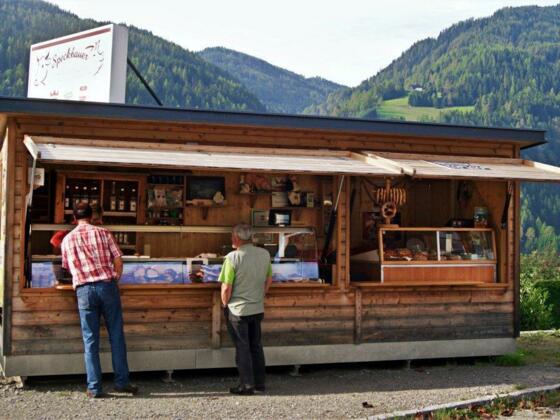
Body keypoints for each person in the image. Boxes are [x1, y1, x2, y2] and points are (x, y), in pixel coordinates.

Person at [60, 203, 137, 398]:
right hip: (107, 286)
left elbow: (67, 267)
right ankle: (122, 383)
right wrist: (115, 278)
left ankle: (94, 388)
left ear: (74, 218)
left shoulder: (67, 239)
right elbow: (118, 260)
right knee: (116, 336)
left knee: (90, 340)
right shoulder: (104, 233)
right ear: (91, 216)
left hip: (84, 290)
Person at [219, 223, 273, 395]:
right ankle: (259, 384)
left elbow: (226, 287)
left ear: (236, 238)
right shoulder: (264, 254)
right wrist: (260, 295)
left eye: (231, 236)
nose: (231, 238)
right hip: (257, 308)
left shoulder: (232, 257)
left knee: (242, 348)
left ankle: (247, 385)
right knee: (256, 346)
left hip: (238, 310)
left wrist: (225, 303)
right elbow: (269, 279)